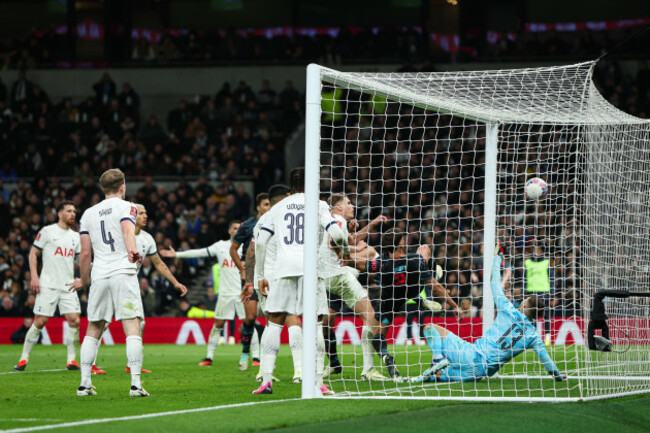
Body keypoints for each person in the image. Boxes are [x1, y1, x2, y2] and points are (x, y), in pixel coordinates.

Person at [252, 167, 349, 395]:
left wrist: (260, 276)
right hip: (311, 270)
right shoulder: (319, 204)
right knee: (315, 324)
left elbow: (261, 242)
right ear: (313, 182)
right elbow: (336, 235)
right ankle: (316, 382)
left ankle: (266, 380)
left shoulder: (278, 207)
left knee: (274, 322)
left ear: (291, 185)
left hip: (283, 270)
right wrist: (345, 251)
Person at [408, 246, 566, 384]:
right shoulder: (533, 336)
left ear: (524, 305)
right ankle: (435, 371)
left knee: (430, 328)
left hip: (471, 356)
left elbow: (494, 283)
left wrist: (497, 258)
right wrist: (558, 376)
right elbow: (548, 363)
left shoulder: (507, 309)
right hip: (478, 374)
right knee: (437, 375)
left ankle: (438, 359)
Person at [92, 204, 187, 375]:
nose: (145, 216)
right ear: (132, 215)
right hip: (110, 280)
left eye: (146, 212)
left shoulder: (147, 238)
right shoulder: (118, 234)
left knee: (139, 322)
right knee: (102, 323)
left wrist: (175, 282)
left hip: (129, 282)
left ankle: (133, 364)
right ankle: (90, 363)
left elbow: (159, 263)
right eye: (141, 213)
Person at [76, 168, 146, 397]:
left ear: (102, 188)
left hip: (99, 274)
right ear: (123, 186)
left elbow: (85, 253)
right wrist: (132, 251)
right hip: (122, 271)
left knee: (94, 327)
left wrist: (84, 280)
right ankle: (135, 384)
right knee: (132, 324)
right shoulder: (128, 207)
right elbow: (128, 230)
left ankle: (84, 384)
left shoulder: (87, 214)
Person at [368, 229, 459, 378]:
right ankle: (420, 298)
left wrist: (347, 258)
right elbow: (435, 287)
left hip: (390, 299)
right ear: (401, 243)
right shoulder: (415, 260)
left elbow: (363, 266)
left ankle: (386, 358)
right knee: (424, 249)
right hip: (413, 289)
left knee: (377, 337)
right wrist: (454, 305)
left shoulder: (381, 262)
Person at [161, 220, 250, 368]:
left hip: (242, 293)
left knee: (248, 323)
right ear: (229, 231)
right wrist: (177, 254)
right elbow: (199, 252)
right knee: (218, 324)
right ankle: (209, 357)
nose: (237, 230)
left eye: (240, 228)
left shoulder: (247, 248)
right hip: (225, 294)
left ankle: (257, 358)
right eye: (234, 228)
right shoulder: (220, 246)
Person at [320, 194, 387, 381]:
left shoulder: (330, 221)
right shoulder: (339, 221)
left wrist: (372, 225)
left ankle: (327, 365)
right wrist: (350, 252)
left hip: (323, 276)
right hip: (337, 274)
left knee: (324, 321)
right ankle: (369, 369)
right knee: (370, 315)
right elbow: (337, 242)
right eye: (348, 203)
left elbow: (349, 240)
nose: (352, 206)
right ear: (339, 207)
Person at [14, 201, 83, 372]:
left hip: (68, 285)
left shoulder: (76, 237)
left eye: (74, 211)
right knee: (40, 321)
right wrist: (34, 277)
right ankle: (23, 359)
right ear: (60, 214)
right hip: (48, 284)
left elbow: (83, 260)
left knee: (74, 320)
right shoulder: (47, 231)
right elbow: (33, 253)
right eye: (69, 211)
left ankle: (71, 360)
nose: (73, 214)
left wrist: (82, 278)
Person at [242, 184, 297, 383]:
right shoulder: (271, 219)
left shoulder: (273, 220)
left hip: (275, 276)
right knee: (288, 320)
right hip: (274, 277)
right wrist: (251, 281)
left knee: (279, 322)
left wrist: (250, 281)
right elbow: (251, 252)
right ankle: (295, 371)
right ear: (282, 200)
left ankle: (270, 372)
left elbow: (252, 252)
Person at [229, 193, 270, 371]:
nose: (269, 207)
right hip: (252, 277)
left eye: (271, 204)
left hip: (269, 275)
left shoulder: (276, 223)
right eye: (266, 204)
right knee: (251, 317)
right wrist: (242, 270)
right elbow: (233, 249)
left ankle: (268, 363)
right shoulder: (248, 225)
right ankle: (246, 352)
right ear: (258, 207)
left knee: (271, 319)